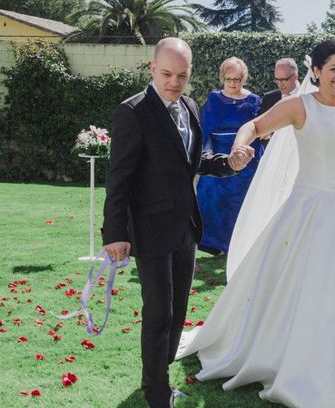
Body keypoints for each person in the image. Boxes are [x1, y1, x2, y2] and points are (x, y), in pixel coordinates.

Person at [175, 40, 335, 407]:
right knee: (311, 284)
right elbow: (253, 126)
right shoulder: (298, 105)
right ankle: (298, 356)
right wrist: (239, 149)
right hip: (311, 209)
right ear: (316, 71)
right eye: (333, 69)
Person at [100, 38, 252, 408]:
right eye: (167, 73)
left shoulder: (189, 106)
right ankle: (156, 394)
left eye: (182, 75)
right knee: (159, 313)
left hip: (186, 228)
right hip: (150, 229)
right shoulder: (132, 111)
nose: (174, 82)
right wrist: (115, 233)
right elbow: (118, 177)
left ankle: (157, 378)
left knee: (178, 312)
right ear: (152, 68)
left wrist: (225, 163)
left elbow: (192, 159)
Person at [195, 57, 264, 255]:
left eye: (237, 79)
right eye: (228, 79)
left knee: (243, 205)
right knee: (213, 201)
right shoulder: (214, 100)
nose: (232, 83)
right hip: (218, 161)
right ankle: (214, 245)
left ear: (244, 79)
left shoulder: (254, 101)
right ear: (222, 78)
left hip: (246, 163)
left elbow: (259, 131)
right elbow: (203, 130)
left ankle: (240, 246)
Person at [258, 58, 300, 146]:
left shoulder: (308, 96)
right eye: (277, 79)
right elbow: (260, 130)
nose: (280, 84)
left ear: (295, 76)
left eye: (284, 79)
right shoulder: (268, 99)